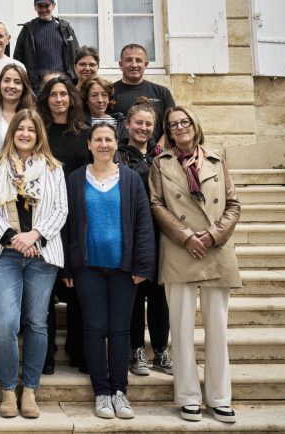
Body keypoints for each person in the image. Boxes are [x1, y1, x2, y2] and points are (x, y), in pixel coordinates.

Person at [149, 105, 241, 424]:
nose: (180, 128)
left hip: (216, 250)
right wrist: (187, 236)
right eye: (173, 125)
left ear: (195, 125)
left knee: (217, 328)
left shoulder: (216, 158)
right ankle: (188, 396)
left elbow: (233, 204)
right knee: (182, 328)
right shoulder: (161, 164)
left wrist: (213, 235)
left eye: (184, 122)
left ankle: (219, 398)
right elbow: (157, 204)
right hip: (179, 251)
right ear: (168, 130)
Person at [62, 122, 155, 420]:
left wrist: (142, 265)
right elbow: (66, 226)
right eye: (98, 139)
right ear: (88, 144)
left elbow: (143, 224)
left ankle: (120, 392)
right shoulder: (75, 180)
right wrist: (68, 265)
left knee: (119, 330)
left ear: (117, 144)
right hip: (88, 268)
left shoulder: (130, 180)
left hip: (123, 269)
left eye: (109, 139)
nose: (104, 144)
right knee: (94, 328)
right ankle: (101, 392)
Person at [0, 109, 68, 419]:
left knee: (36, 322)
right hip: (5, 255)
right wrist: (12, 238)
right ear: (12, 133)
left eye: (31, 129)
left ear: (38, 133)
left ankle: (29, 389)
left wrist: (35, 236)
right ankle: (7, 390)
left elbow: (61, 210)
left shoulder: (53, 168)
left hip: (42, 255)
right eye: (20, 129)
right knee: (5, 323)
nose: (26, 134)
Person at [36, 75, 90, 373]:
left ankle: (77, 349)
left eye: (63, 94)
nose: (58, 99)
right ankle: (45, 354)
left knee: (78, 287)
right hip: (46, 217)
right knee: (45, 290)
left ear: (71, 98)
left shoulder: (84, 133)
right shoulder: (40, 134)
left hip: (78, 217)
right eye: (53, 95)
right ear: (46, 100)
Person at [118, 98, 171, 378]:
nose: (143, 128)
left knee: (160, 296)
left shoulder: (162, 157)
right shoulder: (118, 156)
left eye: (148, 124)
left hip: (162, 234)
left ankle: (161, 350)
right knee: (136, 297)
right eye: (138, 122)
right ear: (128, 125)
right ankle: (136, 349)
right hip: (133, 235)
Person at [12, 0, 79, 88]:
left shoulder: (65, 29)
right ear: (35, 7)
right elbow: (18, 59)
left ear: (53, 6)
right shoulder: (28, 30)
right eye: (40, 6)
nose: (43, 10)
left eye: (46, 6)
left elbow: (76, 55)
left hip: (62, 84)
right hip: (36, 87)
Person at [113, 43, 175, 143]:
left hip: (156, 155)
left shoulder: (162, 92)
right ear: (121, 65)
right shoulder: (109, 93)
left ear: (145, 65)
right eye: (128, 60)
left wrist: (158, 150)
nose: (134, 65)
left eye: (138, 60)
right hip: (120, 155)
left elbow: (172, 125)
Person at [0, 63, 36, 140]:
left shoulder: (34, 115)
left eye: (17, 82)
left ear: (24, 87)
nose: (11, 86)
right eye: (6, 81)